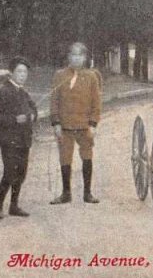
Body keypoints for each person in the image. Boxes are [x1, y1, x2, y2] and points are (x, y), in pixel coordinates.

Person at [50, 42, 102, 205]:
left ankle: (87, 193)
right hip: (65, 126)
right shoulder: (60, 75)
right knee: (65, 158)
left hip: (84, 126)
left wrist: (93, 124)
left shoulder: (92, 76)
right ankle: (66, 193)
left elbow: (96, 103)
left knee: (87, 156)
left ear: (85, 58)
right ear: (68, 57)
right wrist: (56, 123)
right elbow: (54, 101)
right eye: (73, 55)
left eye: (79, 55)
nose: (76, 58)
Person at [0, 57, 38, 219]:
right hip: (9, 140)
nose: (23, 75)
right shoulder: (4, 91)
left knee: (21, 173)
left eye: (25, 72)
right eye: (19, 71)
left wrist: (31, 117)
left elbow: (34, 110)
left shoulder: (24, 92)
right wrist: (14, 119)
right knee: (10, 172)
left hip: (24, 140)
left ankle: (14, 206)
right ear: (11, 73)